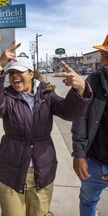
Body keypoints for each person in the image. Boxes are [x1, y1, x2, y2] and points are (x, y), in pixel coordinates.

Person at [0, 41, 92, 216]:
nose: (14, 76)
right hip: (11, 171)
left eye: (20, 72)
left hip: (42, 172)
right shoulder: (7, 96)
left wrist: (80, 89)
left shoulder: (47, 94)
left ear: (31, 74)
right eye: (11, 73)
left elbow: (68, 113)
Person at [71, 35, 108, 216]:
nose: (103, 60)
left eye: (107, 55)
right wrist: (79, 154)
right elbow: (80, 118)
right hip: (92, 163)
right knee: (88, 201)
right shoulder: (92, 81)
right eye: (102, 54)